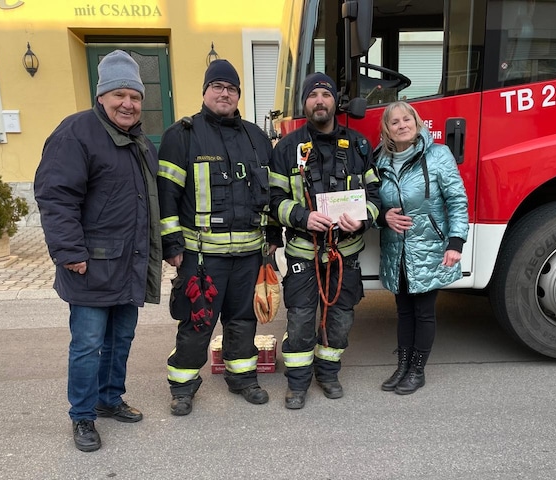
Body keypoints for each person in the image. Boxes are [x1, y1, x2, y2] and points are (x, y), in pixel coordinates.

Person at [34, 50, 162, 452]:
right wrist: (70, 251)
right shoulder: (76, 133)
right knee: (88, 343)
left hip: (128, 263)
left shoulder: (139, 141)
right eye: (120, 95)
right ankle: (83, 416)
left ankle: (109, 399)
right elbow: (56, 197)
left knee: (120, 338)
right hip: (89, 264)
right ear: (102, 95)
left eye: (135, 97)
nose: (128, 104)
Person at [158, 59, 279, 416]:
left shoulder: (256, 137)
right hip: (201, 255)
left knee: (243, 320)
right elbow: (167, 195)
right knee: (198, 321)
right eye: (218, 87)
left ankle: (242, 377)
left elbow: (272, 191)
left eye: (232, 88)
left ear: (239, 95)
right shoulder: (182, 135)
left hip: (248, 254)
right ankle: (183, 386)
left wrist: (273, 232)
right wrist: (172, 245)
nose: (225, 93)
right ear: (205, 92)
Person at [269, 72, 380, 409]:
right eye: (313, 95)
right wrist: (304, 217)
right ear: (305, 103)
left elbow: (376, 194)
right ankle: (298, 384)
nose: (319, 100)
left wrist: (363, 216)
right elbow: (273, 200)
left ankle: (329, 374)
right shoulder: (287, 148)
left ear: (335, 102)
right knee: (301, 319)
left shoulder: (359, 146)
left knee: (341, 318)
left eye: (325, 94)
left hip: (346, 253)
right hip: (304, 251)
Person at [376, 101, 469, 395]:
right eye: (395, 122)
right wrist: (382, 216)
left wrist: (456, 242)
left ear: (417, 123)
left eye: (407, 119)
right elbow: (371, 200)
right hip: (396, 248)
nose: (402, 125)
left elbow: (456, 200)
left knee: (424, 311)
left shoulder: (438, 155)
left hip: (429, 245)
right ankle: (403, 367)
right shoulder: (380, 160)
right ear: (387, 130)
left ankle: (417, 370)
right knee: (403, 311)